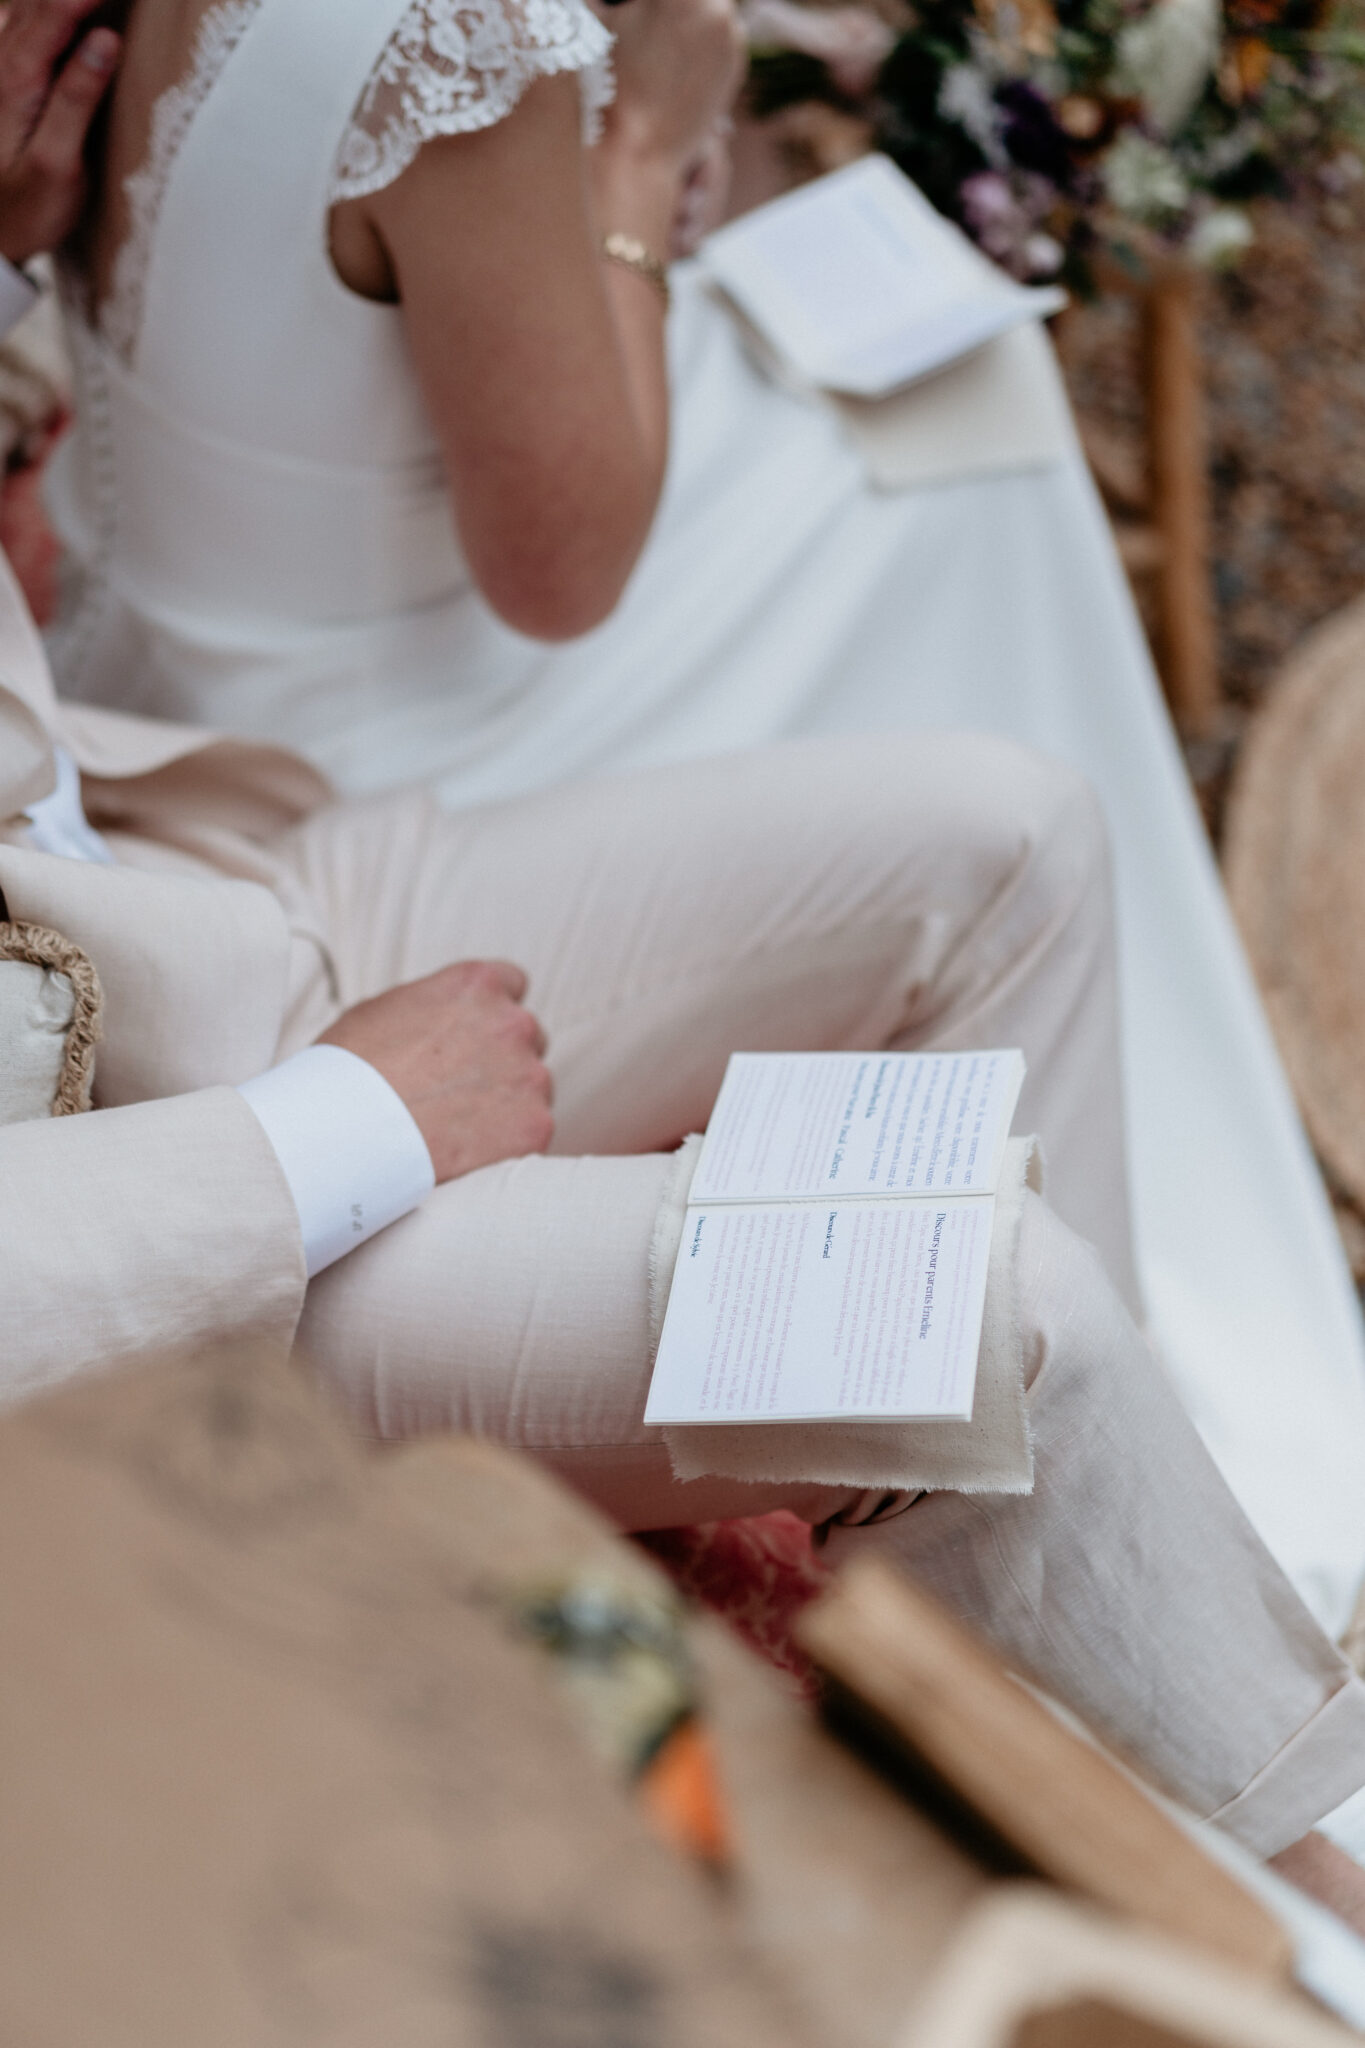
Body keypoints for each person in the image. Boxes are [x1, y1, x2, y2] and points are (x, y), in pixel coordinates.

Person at [5, 0, 1365, 1941]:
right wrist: (347, 1122)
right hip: (172, 1226)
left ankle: (1053, 1635)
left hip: (176, 893)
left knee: (1012, 838)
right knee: (992, 1301)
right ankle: (1261, 1877)